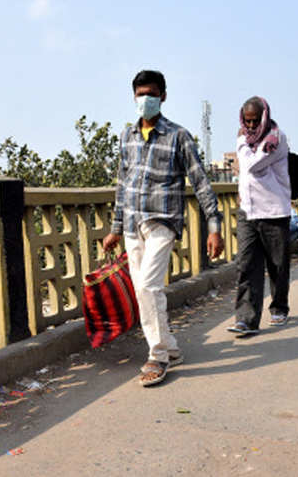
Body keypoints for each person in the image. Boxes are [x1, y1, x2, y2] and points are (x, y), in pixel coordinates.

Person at [103, 70, 224, 386]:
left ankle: (156, 356)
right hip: (132, 223)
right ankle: (169, 348)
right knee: (144, 290)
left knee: (148, 286)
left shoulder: (178, 136)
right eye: (141, 94)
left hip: (163, 221)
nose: (146, 100)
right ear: (134, 97)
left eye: (152, 94)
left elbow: (200, 181)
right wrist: (115, 228)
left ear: (163, 97)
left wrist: (214, 226)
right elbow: (122, 185)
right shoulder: (127, 136)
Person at [228, 96, 291, 336]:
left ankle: (279, 307)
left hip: (274, 210)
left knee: (277, 264)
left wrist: (242, 143)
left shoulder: (277, 139)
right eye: (247, 121)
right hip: (248, 211)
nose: (251, 127)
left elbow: (251, 165)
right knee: (246, 265)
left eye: (255, 121)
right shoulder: (244, 137)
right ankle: (246, 318)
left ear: (264, 117)